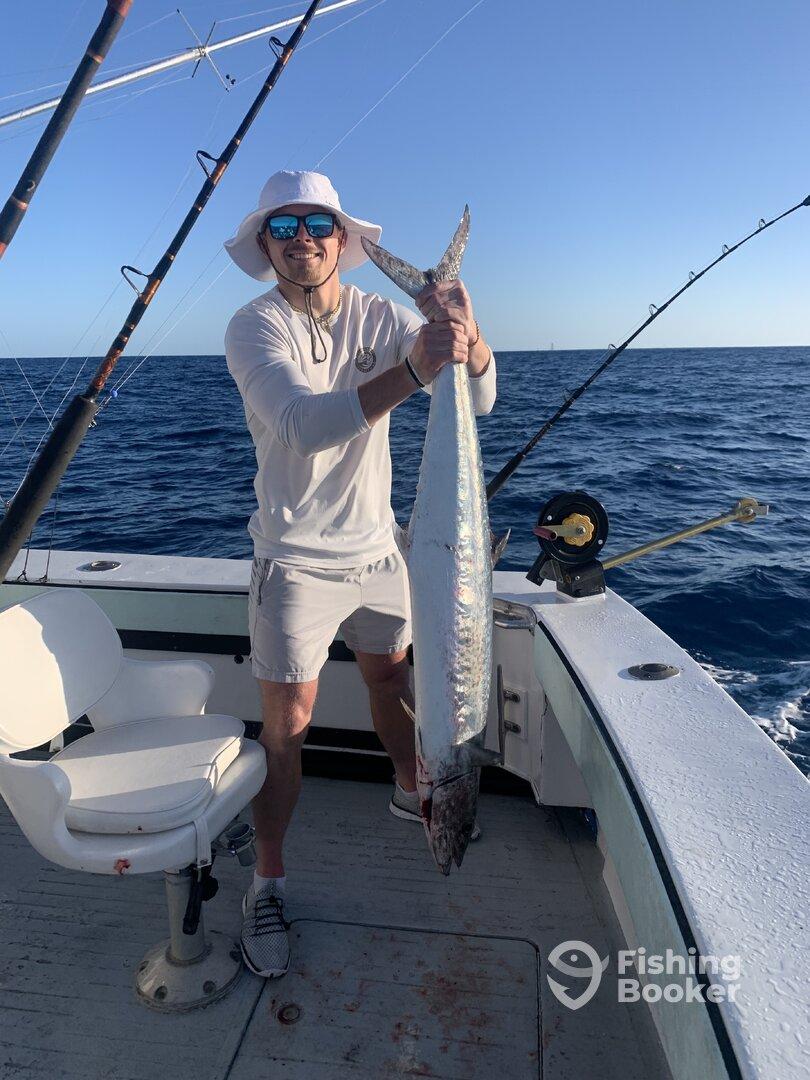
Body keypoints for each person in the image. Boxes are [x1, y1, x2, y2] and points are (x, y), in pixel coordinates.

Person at [223, 170, 496, 979]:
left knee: (393, 680)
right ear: (267, 244)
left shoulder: (382, 311)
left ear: (342, 238)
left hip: (383, 551)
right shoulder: (253, 327)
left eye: (318, 223)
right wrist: (416, 370)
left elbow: (478, 402)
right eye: (285, 226)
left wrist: (468, 340)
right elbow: (305, 428)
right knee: (288, 728)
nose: (302, 238)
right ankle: (266, 883)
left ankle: (415, 787)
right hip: (296, 562)